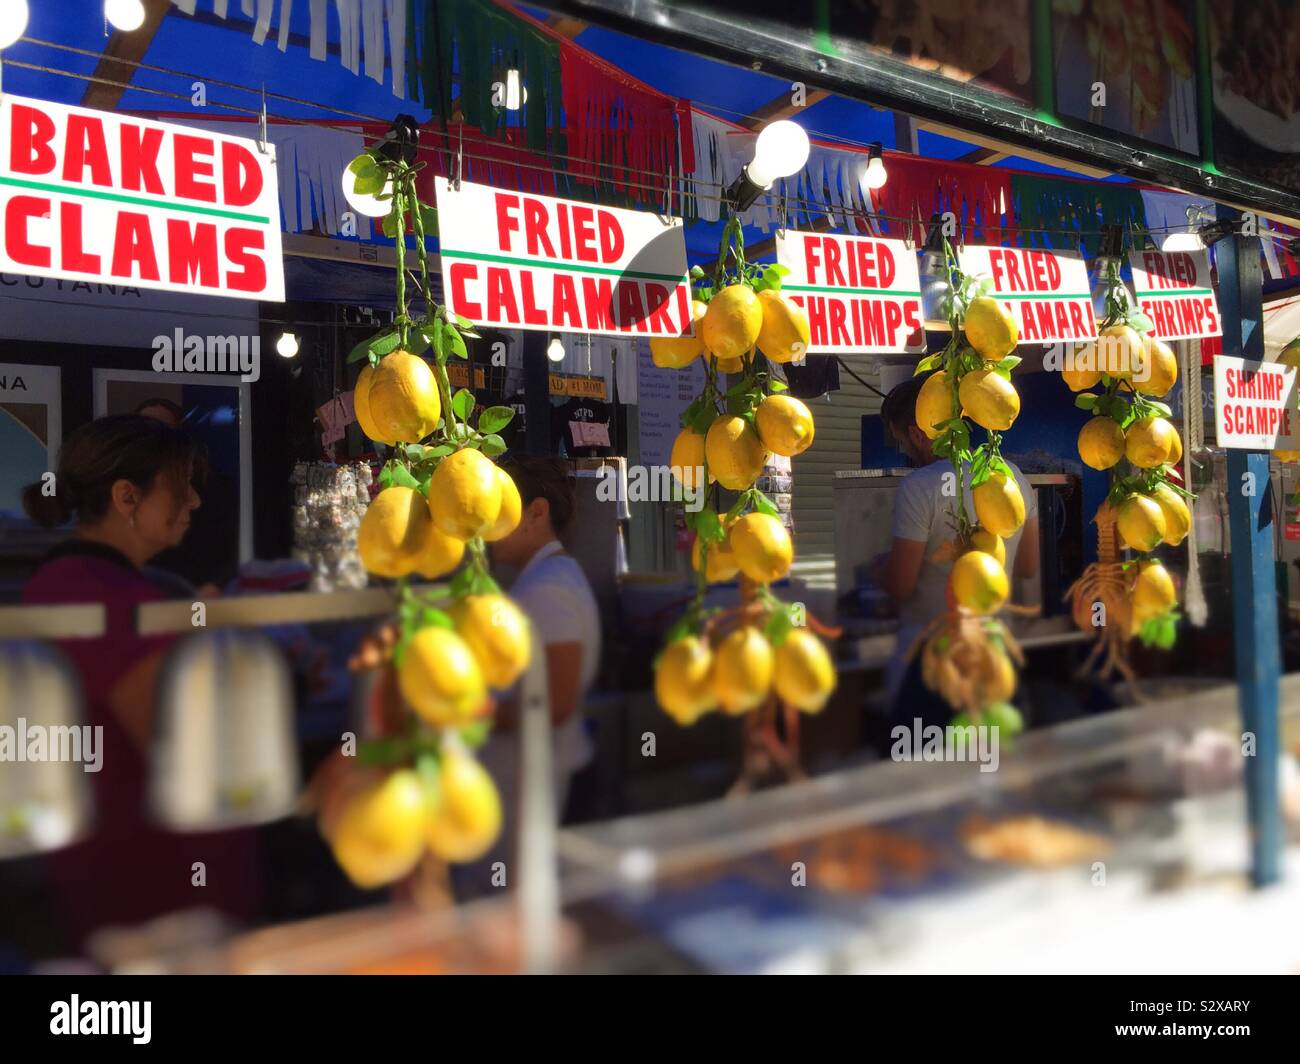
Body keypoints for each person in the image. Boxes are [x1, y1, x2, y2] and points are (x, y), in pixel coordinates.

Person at [21, 415, 264, 951]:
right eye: (181, 485)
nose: (195, 501)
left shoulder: (69, 584)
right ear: (127, 497)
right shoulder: (108, 601)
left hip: (125, 890)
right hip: (156, 906)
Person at [455, 454, 600, 896]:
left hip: (527, 791)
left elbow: (555, 704)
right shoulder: (545, 581)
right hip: (517, 786)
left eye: (501, 510)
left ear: (537, 512)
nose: (488, 526)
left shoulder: (548, 590)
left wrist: (468, 715)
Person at [877, 374, 1040, 727]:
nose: (904, 450)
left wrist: (880, 572)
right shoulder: (1012, 476)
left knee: (932, 774)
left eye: (902, 440)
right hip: (997, 657)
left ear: (918, 433)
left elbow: (901, 585)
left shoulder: (918, 487)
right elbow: (1028, 566)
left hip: (935, 660)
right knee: (998, 768)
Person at [134, 397, 240, 592]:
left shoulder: (215, 487)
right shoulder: (128, 485)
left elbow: (230, 549)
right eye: (145, 427)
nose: (193, 501)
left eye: (164, 429)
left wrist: (212, 588)